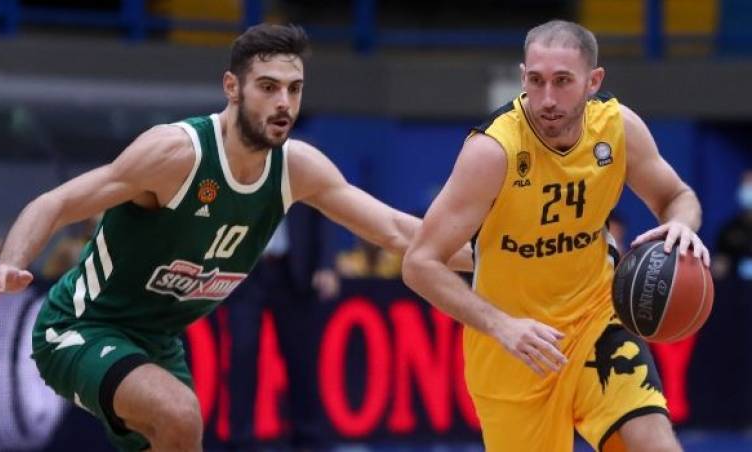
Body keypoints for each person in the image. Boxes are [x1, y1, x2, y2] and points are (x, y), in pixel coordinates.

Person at [0, 24, 471, 452]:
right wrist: (8, 263)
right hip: (81, 326)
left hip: (158, 342)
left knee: (181, 431)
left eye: (294, 89)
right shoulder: (176, 155)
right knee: (181, 414)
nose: (284, 103)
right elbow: (53, 203)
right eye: (268, 87)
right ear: (232, 87)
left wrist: (494, 258)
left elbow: (397, 229)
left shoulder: (298, 167)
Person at [403, 20, 710, 452]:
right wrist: (502, 325)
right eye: (535, 80)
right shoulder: (493, 151)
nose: (547, 98)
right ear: (522, 76)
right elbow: (419, 263)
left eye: (562, 81)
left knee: (654, 443)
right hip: (514, 350)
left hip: (596, 322)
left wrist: (681, 224)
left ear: (593, 81)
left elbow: (678, 196)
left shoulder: (617, 129)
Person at [225, 203, 339, 451]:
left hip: (293, 269)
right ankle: (240, 440)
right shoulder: (234, 173)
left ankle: (308, 438)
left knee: (301, 357)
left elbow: (325, 206)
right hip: (244, 270)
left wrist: (326, 264)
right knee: (242, 354)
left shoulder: (303, 171)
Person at [714, 170, 752, 281]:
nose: (749, 190)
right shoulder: (729, 229)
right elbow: (720, 263)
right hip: (736, 287)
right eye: (746, 185)